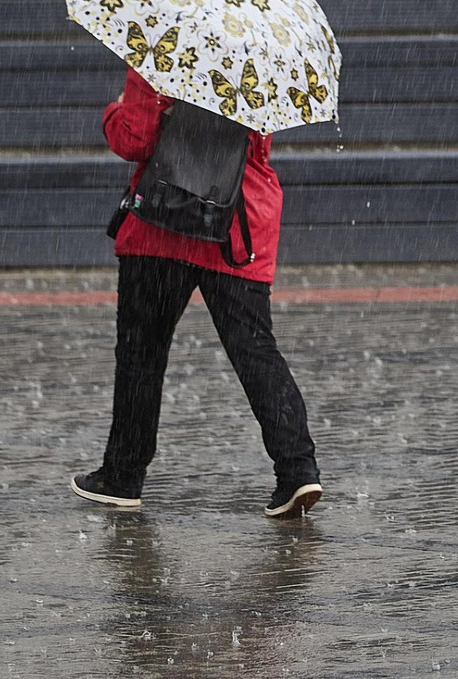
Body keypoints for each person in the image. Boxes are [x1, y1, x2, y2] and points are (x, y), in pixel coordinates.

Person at [74, 66, 322, 519]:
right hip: (235, 225)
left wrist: (112, 112)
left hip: (163, 226)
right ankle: (297, 470)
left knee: (142, 354)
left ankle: (123, 475)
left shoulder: (166, 51)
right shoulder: (259, 57)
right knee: (255, 351)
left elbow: (134, 137)